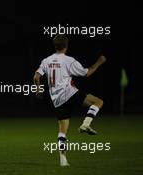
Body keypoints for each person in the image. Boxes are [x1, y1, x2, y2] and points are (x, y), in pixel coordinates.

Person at [33, 35, 106, 166]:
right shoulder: (68, 60)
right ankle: (86, 124)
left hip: (57, 100)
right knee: (98, 102)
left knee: (62, 131)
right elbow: (86, 73)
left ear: (55, 46)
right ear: (66, 46)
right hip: (70, 93)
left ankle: (63, 159)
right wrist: (99, 62)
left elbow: (36, 76)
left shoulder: (46, 60)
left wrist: (38, 90)